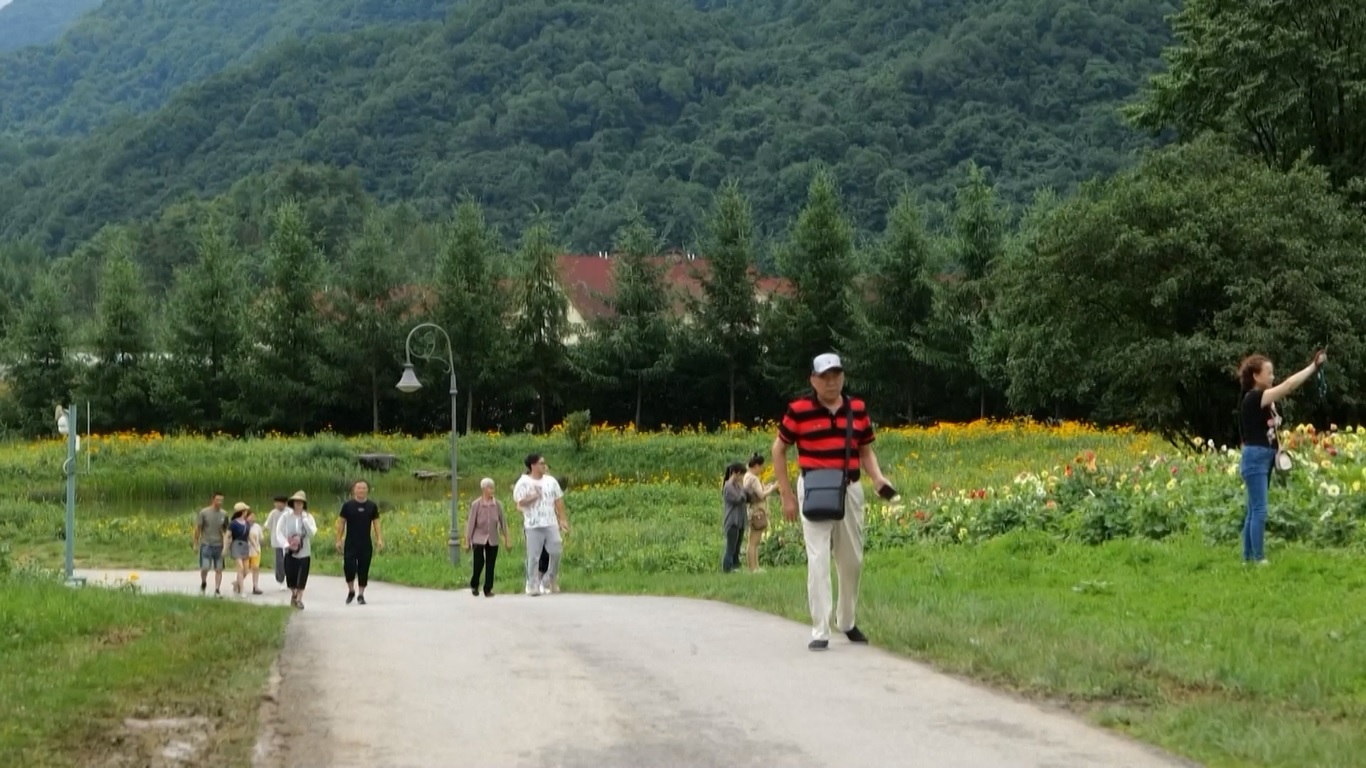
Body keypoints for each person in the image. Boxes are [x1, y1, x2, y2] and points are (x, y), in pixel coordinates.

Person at [772, 353, 895, 651]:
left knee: (852, 560)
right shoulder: (798, 410)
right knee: (817, 560)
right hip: (813, 489)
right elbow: (779, 450)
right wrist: (787, 495)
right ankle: (820, 629)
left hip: (849, 488)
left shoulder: (857, 409)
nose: (831, 382)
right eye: (825, 377)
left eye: (836, 375)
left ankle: (847, 621)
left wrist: (878, 479)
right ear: (813, 380)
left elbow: (865, 451)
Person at [1237, 348, 1327, 565]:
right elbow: (1288, 386)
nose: (1273, 377)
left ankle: (1247, 558)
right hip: (1256, 457)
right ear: (1256, 376)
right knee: (1259, 510)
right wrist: (1313, 367)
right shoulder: (1254, 397)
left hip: (1261, 456)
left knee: (1253, 509)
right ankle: (1259, 559)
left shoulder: (1262, 400)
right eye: (1269, 373)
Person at [513, 454, 569, 596]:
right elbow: (519, 503)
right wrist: (534, 496)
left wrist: (562, 519)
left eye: (544, 463)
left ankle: (550, 577)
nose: (544, 466)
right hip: (533, 524)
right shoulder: (524, 482)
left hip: (550, 522)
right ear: (533, 465)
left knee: (556, 550)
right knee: (534, 556)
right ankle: (532, 585)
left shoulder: (551, 481)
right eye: (541, 463)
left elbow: (558, 500)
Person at [336, 479, 383, 605]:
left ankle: (361, 594)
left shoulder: (372, 506)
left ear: (367, 490)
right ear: (354, 490)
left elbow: (376, 523)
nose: (361, 490)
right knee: (349, 568)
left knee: (364, 569)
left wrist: (379, 539)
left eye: (363, 488)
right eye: (359, 488)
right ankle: (351, 590)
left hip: (365, 543)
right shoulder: (347, 506)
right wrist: (338, 540)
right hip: (351, 543)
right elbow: (341, 523)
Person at [465, 478, 510, 597]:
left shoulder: (497, 505)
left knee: (491, 564)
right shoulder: (476, 504)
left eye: (492, 487)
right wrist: (467, 540)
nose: (492, 490)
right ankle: (474, 584)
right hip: (478, 538)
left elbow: (503, 522)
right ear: (483, 489)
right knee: (478, 563)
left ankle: (488, 589)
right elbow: (471, 523)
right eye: (489, 488)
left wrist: (507, 538)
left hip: (493, 538)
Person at [277, 490, 317, 610]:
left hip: (304, 551)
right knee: (291, 575)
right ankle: (294, 594)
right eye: (296, 502)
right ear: (292, 503)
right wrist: (285, 544)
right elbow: (279, 532)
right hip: (289, 551)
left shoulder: (308, 517)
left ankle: (299, 599)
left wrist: (305, 521)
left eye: (301, 502)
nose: (298, 504)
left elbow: (312, 532)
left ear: (304, 504)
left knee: (302, 575)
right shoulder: (285, 516)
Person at [742, 452, 777, 573]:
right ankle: (753, 568)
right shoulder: (753, 478)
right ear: (756, 465)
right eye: (761, 467)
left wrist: (765, 487)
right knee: (753, 542)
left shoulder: (746, 476)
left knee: (754, 541)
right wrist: (771, 488)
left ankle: (755, 567)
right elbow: (761, 495)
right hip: (757, 511)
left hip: (752, 510)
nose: (762, 469)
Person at [193, 492, 228, 597]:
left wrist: (226, 546)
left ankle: (217, 590)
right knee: (205, 567)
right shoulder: (204, 513)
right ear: (213, 500)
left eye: (221, 500)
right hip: (206, 544)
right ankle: (203, 582)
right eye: (217, 500)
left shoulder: (224, 514)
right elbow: (198, 529)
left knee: (219, 569)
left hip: (219, 545)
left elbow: (226, 531)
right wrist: (195, 543)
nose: (219, 502)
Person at [721, 462, 748, 573]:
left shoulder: (738, 486)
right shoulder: (728, 486)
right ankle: (727, 569)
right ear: (735, 473)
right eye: (741, 475)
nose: (742, 478)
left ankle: (735, 567)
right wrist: (744, 491)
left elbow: (746, 496)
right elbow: (738, 499)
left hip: (740, 520)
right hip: (732, 521)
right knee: (730, 548)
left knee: (737, 548)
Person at [262, 495, 289, 592]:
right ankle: (281, 581)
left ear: (285, 503)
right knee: (279, 562)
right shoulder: (273, 513)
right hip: (277, 542)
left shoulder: (289, 512)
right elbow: (267, 525)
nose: (276, 505)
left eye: (279, 502)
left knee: (289, 562)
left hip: (288, 542)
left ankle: (290, 580)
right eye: (275, 503)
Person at [227, 503, 252, 596]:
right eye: (246, 511)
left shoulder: (247, 523)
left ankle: (236, 583)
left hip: (245, 546)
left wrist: (254, 544)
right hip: (236, 545)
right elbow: (228, 535)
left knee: (246, 571)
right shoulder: (233, 523)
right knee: (240, 568)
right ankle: (242, 590)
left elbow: (249, 535)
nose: (247, 512)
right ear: (242, 512)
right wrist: (226, 547)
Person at [246, 507, 264, 595]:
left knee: (255, 568)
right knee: (244, 570)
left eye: (254, 517)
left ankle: (255, 586)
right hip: (245, 550)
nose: (252, 519)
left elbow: (261, 538)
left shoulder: (257, 527)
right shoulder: (243, 526)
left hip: (255, 550)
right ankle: (238, 583)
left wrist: (259, 544)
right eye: (250, 516)